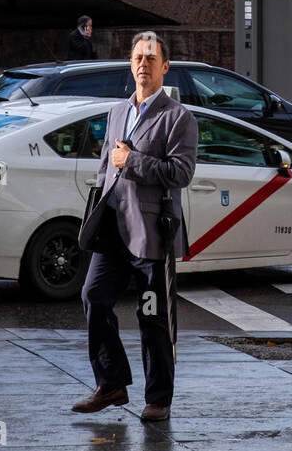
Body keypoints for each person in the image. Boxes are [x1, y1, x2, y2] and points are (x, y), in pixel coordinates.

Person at [73, 32, 198, 421]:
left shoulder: (178, 118)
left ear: (165, 67)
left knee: (152, 316)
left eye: (151, 58)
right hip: (112, 227)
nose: (143, 64)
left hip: (150, 234)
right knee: (93, 297)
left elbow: (181, 172)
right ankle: (111, 384)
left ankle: (158, 398)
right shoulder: (117, 112)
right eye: (138, 58)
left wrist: (133, 160)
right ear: (131, 65)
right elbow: (105, 165)